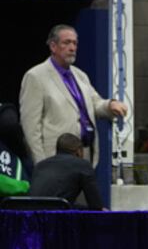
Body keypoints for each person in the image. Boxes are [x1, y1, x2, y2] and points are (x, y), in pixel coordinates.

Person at [19, 25, 128, 167]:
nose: (72, 48)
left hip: (84, 155)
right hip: (54, 160)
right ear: (53, 46)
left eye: (75, 43)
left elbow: (95, 103)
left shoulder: (80, 75)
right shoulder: (35, 76)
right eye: (67, 43)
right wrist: (41, 165)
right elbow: (30, 128)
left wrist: (110, 105)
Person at [28, 133, 104, 210]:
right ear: (79, 151)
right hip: (58, 215)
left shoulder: (40, 165)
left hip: (32, 215)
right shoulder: (83, 165)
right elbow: (95, 206)